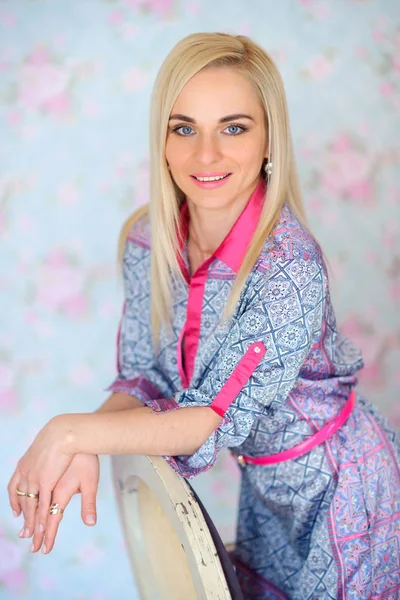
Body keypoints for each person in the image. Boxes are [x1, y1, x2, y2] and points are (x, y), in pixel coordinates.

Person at [8, 31, 400, 600]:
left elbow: (203, 420)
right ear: (162, 140)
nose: (206, 154)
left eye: (234, 127)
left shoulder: (289, 269)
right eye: (184, 127)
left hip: (346, 491)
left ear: (270, 140)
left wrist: (68, 432)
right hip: (265, 492)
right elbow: (147, 378)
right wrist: (86, 442)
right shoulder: (148, 241)